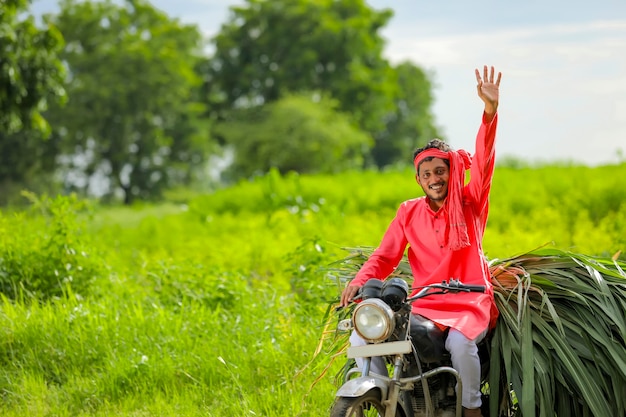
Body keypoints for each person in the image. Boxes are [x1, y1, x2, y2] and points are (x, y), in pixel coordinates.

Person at [340, 65, 502, 417]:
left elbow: (485, 162)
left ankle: (471, 409)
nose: (434, 178)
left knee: (461, 347)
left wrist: (489, 114)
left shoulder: (471, 202)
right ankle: (387, 400)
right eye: (427, 174)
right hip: (424, 301)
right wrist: (358, 282)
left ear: (452, 173)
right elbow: (384, 257)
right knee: (368, 335)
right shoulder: (408, 212)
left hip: (468, 302)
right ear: (418, 179)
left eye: (440, 171)